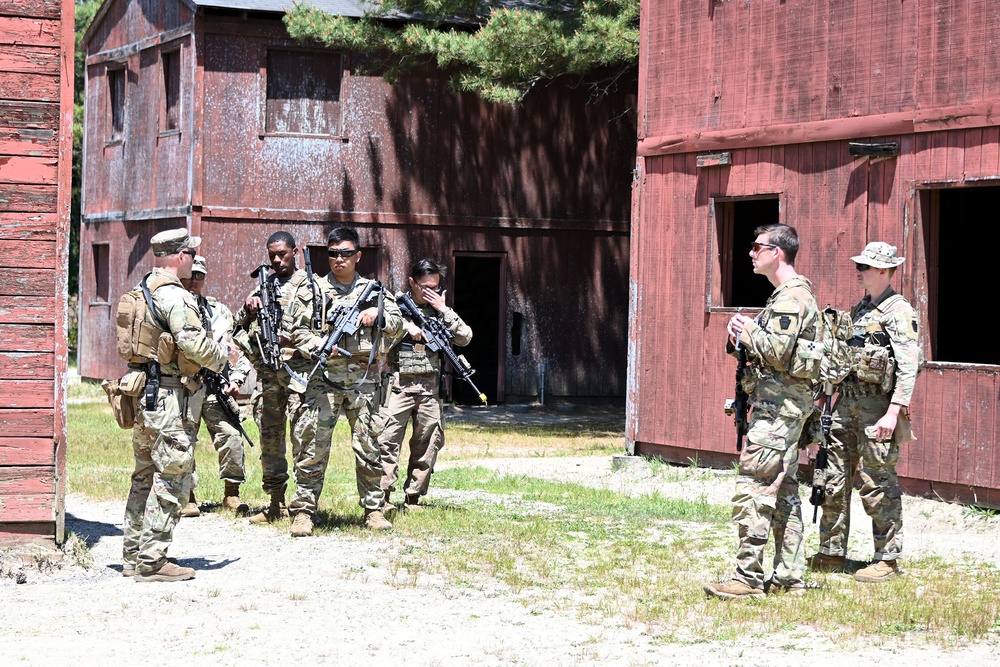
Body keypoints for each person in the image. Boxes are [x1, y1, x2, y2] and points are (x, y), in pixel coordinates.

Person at [703, 223, 821, 599]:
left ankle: (747, 578)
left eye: (757, 247)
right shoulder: (785, 296)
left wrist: (749, 329)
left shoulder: (790, 298)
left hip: (778, 414)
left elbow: (777, 353)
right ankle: (789, 576)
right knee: (784, 493)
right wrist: (739, 336)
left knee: (753, 488)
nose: (751, 253)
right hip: (782, 411)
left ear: (778, 253)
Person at [121, 228, 236, 582]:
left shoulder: (143, 290)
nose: (192, 260)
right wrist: (224, 357)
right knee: (173, 474)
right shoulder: (176, 296)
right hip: (169, 396)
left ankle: (133, 555)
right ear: (179, 256)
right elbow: (193, 345)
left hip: (144, 394)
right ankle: (153, 561)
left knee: (144, 474)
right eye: (190, 253)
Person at [808, 242, 920, 582]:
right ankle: (831, 552)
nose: (860, 272)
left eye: (866, 268)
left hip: (877, 411)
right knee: (832, 478)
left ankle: (887, 560)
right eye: (860, 266)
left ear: (884, 271)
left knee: (877, 484)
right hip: (846, 407)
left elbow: (908, 366)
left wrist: (894, 412)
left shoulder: (898, 312)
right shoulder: (861, 309)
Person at [285, 226, 403, 536]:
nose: (339, 259)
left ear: (358, 256)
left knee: (369, 446)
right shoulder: (312, 290)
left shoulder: (374, 291)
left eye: (346, 253)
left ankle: (375, 509)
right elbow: (297, 331)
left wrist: (376, 316)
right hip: (323, 379)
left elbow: (397, 322)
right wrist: (321, 346)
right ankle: (304, 512)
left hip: (364, 380)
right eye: (334, 253)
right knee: (311, 447)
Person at [378, 259, 472, 512]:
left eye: (435, 287)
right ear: (411, 282)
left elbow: (465, 337)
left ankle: (413, 497)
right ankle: (382, 498)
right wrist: (405, 326)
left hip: (430, 389)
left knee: (428, 443)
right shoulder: (395, 307)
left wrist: (443, 309)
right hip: (398, 386)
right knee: (387, 441)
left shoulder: (439, 312)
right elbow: (381, 329)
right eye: (424, 286)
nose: (429, 291)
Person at [233, 231, 306, 525]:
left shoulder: (310, 285)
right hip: (268, 378)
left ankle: (304, 507)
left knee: (305, 440)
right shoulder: (263, 287)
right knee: (270, 440)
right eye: (271, 255)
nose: (276, 260)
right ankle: (276, 502)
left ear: (295, 252)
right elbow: (237, 325)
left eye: (282, 254)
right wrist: (248, 305)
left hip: (299, 375)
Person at [179, 255, 253, 516]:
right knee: (182, 442)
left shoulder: (218, 311)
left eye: (199, 275)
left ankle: (231, 494)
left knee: (232, 436)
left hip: (214, 387)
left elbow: (234, 350)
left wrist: (236, 379)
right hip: (183, 388)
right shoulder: (173, 308)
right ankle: (186, 496)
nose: (194, 280)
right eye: (190, 275)